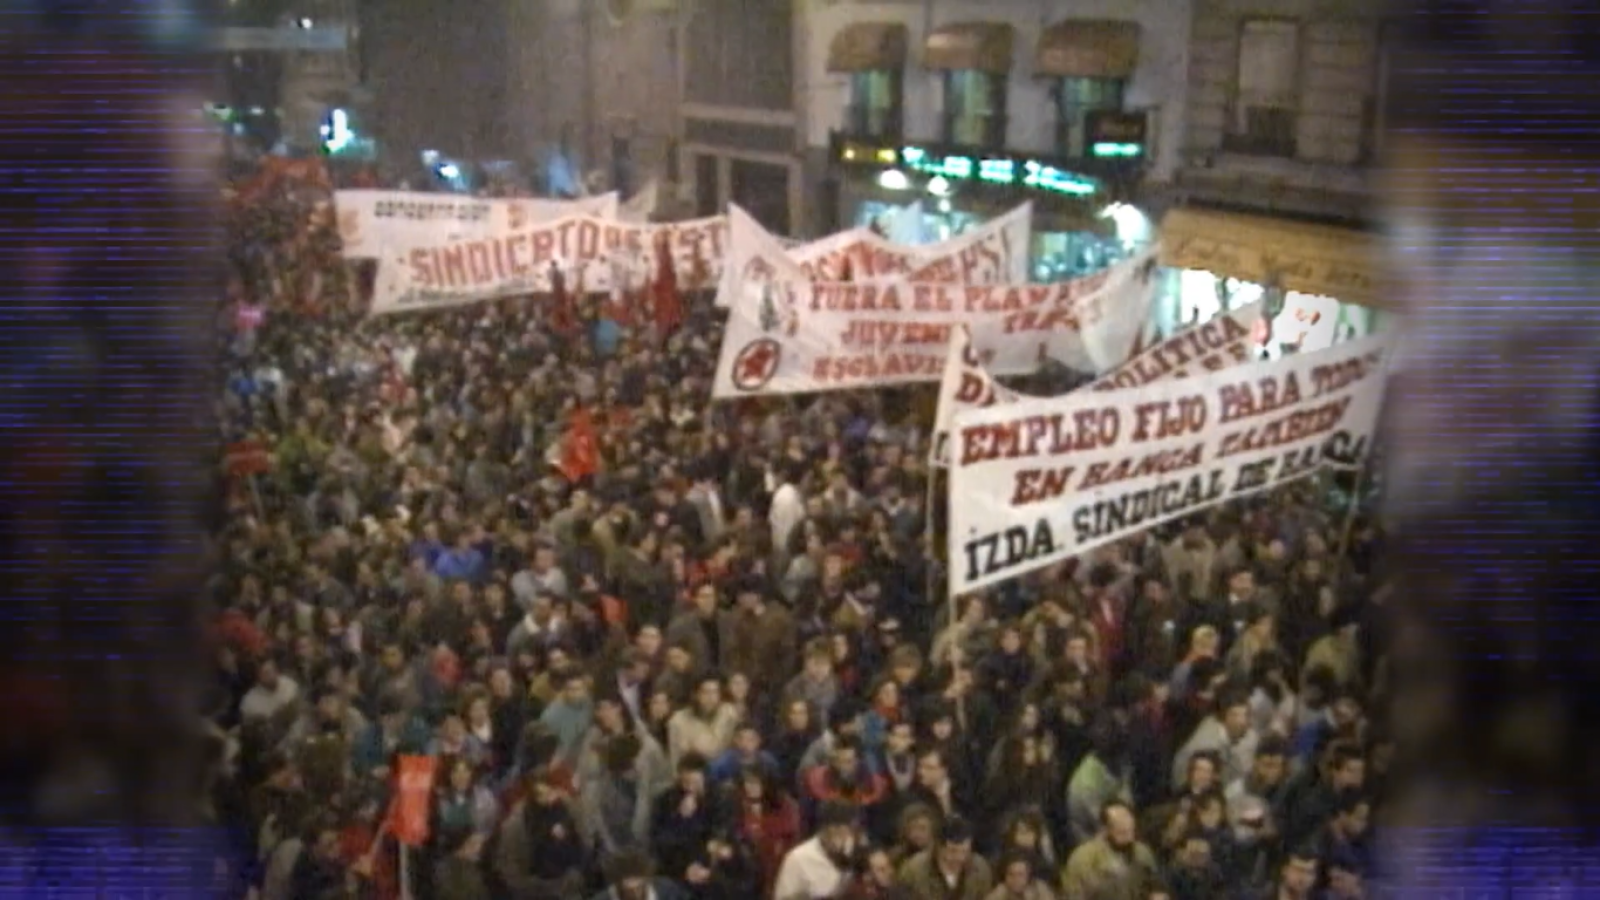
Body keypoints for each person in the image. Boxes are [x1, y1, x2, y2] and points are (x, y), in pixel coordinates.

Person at [1060, 801, 1159, 900]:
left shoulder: (1142, 852)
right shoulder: (1083, 859)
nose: (1124, 824)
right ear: (1104, 829)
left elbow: (1155, 885)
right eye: (1118, 823)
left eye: (1127, 819)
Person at [773, 800, 857, 900]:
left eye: (847, 833)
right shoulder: (798, 859)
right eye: (838, 832)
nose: (843, 840)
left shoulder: (853, 855)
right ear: (823, 829)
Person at [896, 815, 993, 900]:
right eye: (952, 851)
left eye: (964, 851)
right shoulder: (914, 871)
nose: (959, 857)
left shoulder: (980, 869)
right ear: (938, 846)